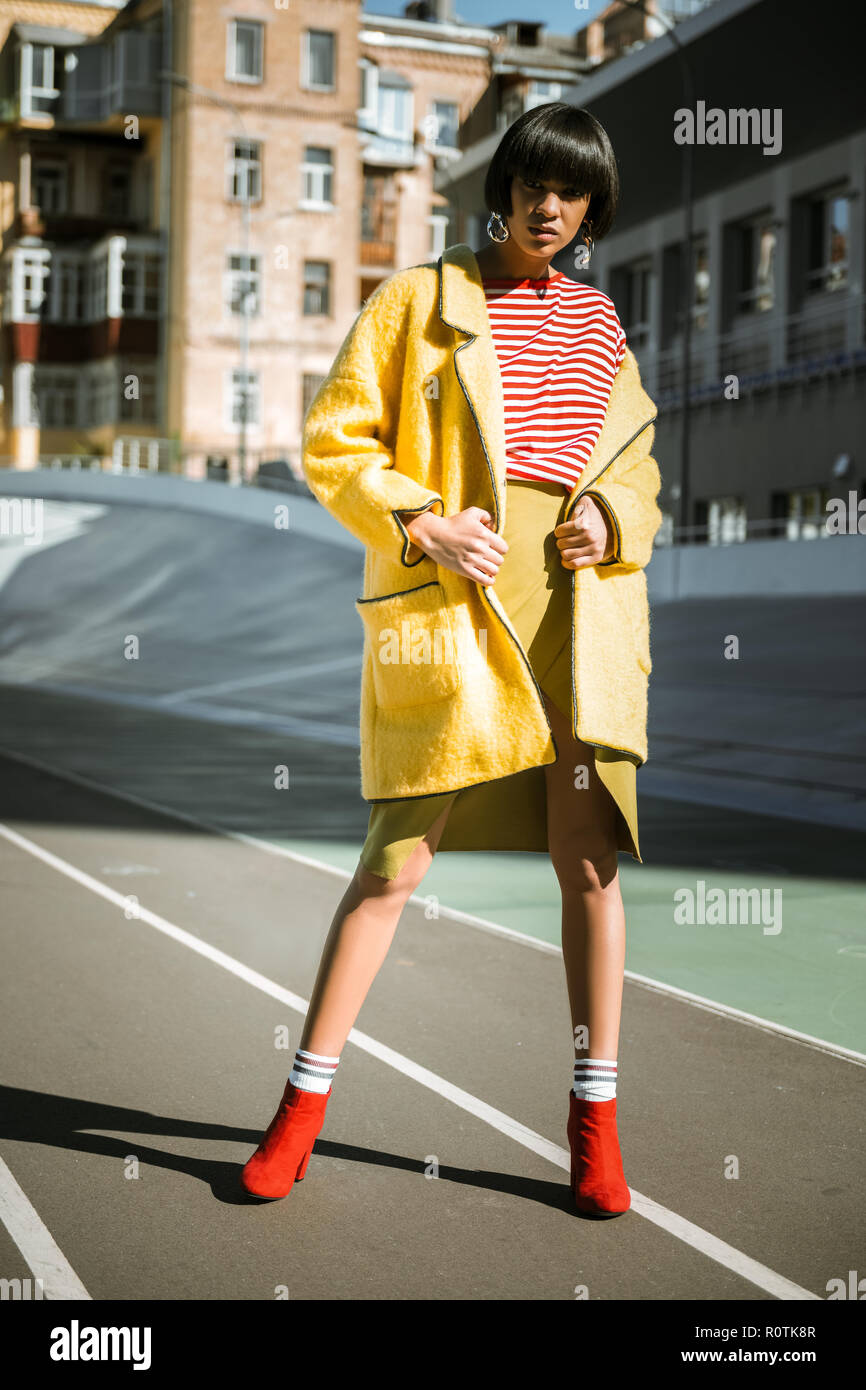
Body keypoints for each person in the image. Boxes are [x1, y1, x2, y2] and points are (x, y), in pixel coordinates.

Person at [240, 103, 662, 1218]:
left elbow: (639, 468)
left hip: (580, 617)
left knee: (588, 867)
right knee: (391, 866)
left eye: (571, 192)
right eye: (533, 180)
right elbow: (332, 440)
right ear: (504, 184)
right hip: (457, 613)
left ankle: (592, 1127)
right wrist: (420, 519)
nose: (548, 205)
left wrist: (611, 523)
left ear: (590, 208)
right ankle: (297, 1111)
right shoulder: (417, 299)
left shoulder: (601, 323)